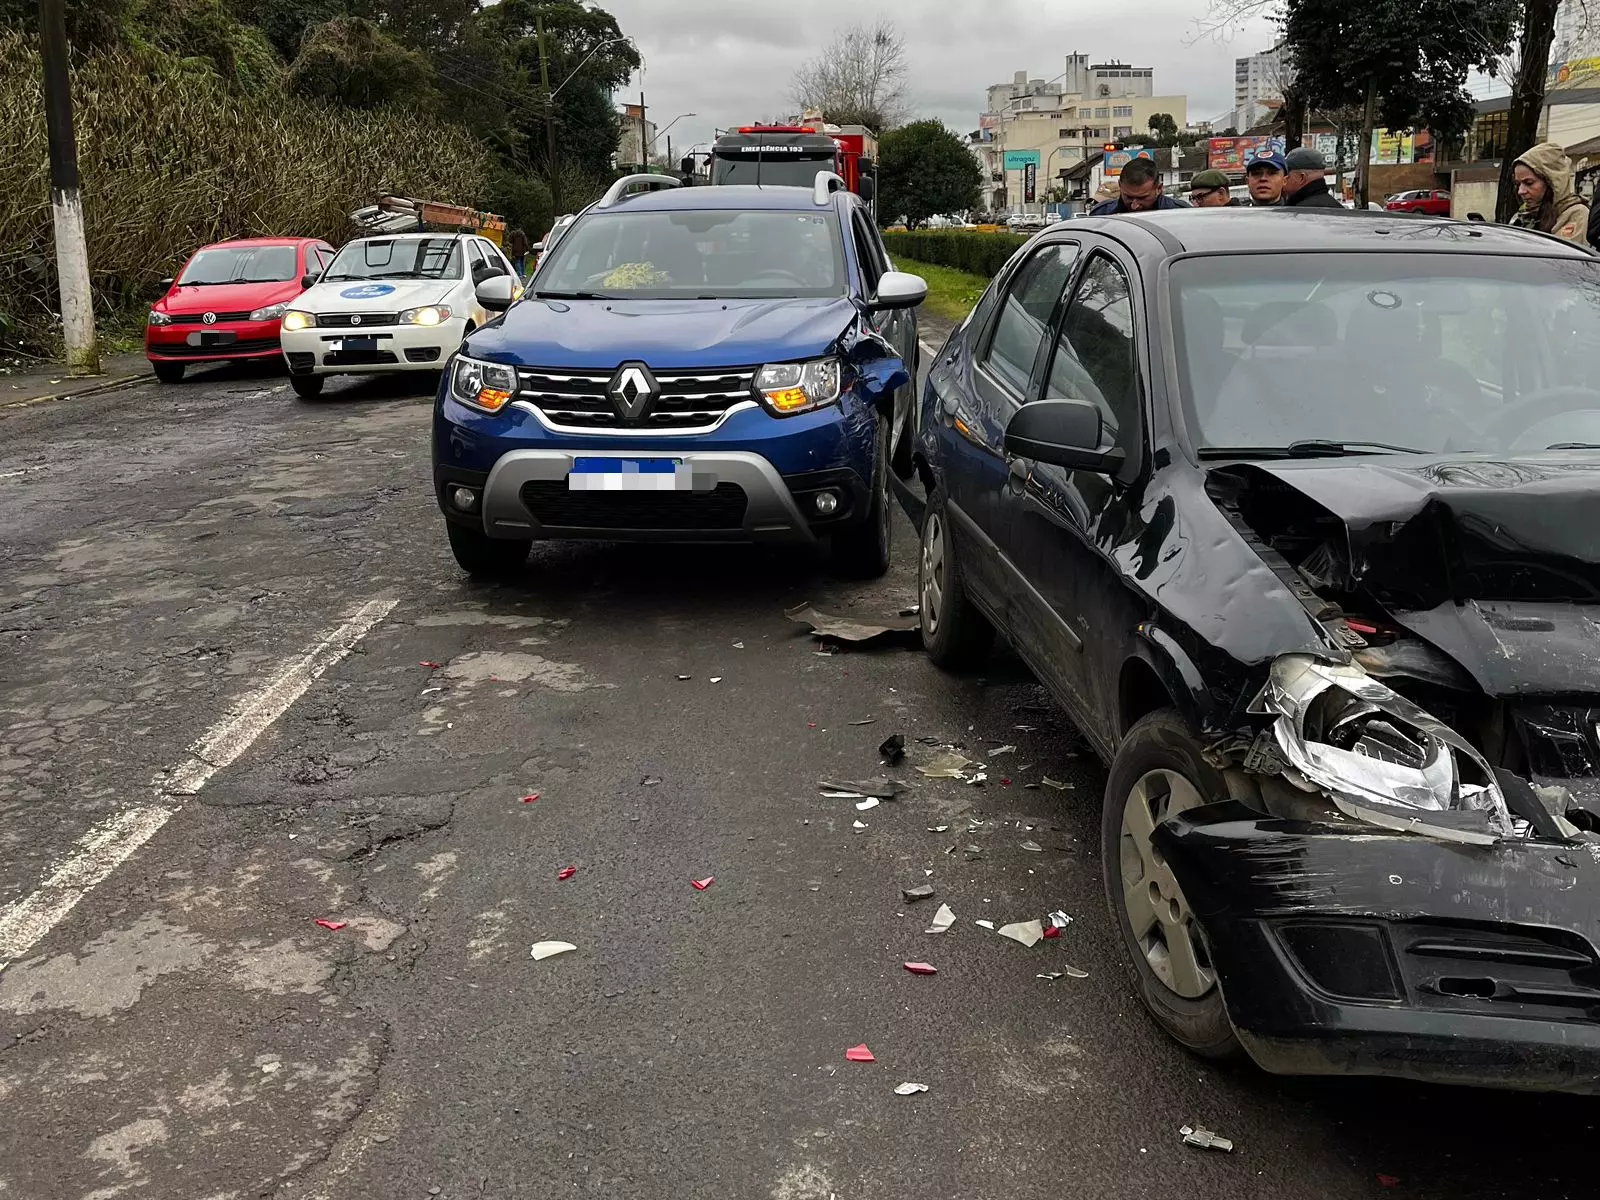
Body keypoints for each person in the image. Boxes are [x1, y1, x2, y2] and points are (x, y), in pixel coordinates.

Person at [1506, 142, 1590, 245]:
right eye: (1518, 184)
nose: (1521, 191)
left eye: (1529, 183)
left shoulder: (1576, 214)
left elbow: (1559, 258)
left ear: (1552, 182)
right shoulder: (1523, 215)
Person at [1090, 156, 1188, 215]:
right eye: (1128, 197)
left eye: (1142, 198)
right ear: (1120, 185)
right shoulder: (1102, 214)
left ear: (1159, 189)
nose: (1134, 206)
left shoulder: (1180, 214)